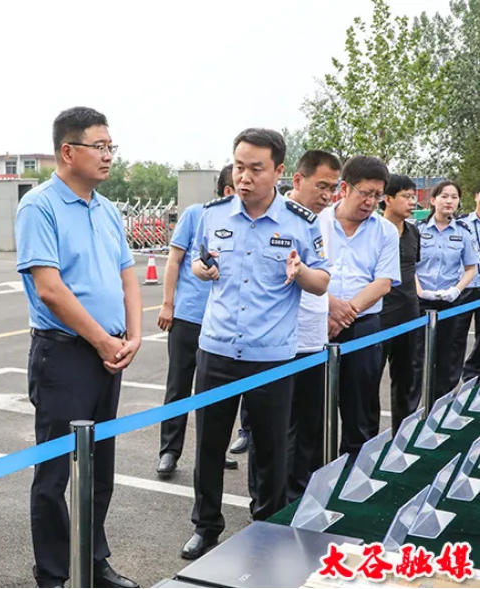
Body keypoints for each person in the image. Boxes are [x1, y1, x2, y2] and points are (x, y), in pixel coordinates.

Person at [181, 128, 330, 560]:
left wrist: (301, 272)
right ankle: (206, 526)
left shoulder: (301, 223)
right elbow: (198, 258)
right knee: (209, 445)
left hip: (272, 357)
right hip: (217, 349)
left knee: (270, 451)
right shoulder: (213, 216)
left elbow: (321, 282)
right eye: (239, 166)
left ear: (279, 171)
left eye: (256, 169)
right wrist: (201, 269)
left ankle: (266, 526)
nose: (244, 177)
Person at [15, 106, 141, 589]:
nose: (108, 155)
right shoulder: (39, 207)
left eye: (112, 146)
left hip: (108, 355)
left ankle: (93, 560)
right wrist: (103, 339)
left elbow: (127, 276)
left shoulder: (108, 210)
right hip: (64, 355)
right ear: (68, 152)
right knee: (54, 475)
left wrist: (132, 336)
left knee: (100, 469)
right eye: (100, 146)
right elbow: (50, 289)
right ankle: (52, 573)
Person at [157, 164, 238, 477]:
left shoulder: (245, 224)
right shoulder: (195, 214)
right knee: (179, 385)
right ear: (228, 191)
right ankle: (169, 450)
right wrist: (168, 305)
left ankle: (214, 451)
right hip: (189, 316)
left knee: (218, 393)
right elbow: (174, 261)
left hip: (223, 323)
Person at [324, 156, 400, 457]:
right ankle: (308, 478)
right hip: (316, 321)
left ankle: (354, 469)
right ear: (345, 188)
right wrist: (328, 305)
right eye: (365, 193)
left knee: (360, 405)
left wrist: (343, 315)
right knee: (311, 404)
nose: (371, 201)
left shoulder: (385, 231)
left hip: (363, 327)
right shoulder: (316, 222)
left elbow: (383, 282)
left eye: (377, 195)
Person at [283, 150, 342, 504]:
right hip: (280, 340)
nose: (327, 194)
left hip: (314, 337)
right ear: (298, 179)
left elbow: (325, 278)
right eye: (321, 185)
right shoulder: (280, 217)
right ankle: (273, 500)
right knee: (277, 428)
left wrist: (331, 312)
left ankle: (302, 492)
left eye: (333, 187)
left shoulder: (325, 221)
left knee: (309, 423)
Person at [412, 181, 478, 402]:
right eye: (444, 196)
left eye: (454, 197)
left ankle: (440, 408)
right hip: (420, 301)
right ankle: (411, 415)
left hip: (450, 303)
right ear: (433, 200)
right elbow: (409, 265)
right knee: (414, 360)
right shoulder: (418, 230)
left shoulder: (464, 231)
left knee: (448, 358)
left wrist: (456, 290)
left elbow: (471, 268)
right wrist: (419, 290)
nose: (449, 201)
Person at [375, 175, 421, 434]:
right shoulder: (375, 230)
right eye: (406, 196)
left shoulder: (414, 231)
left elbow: (412, 269)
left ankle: (402, 437)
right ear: (388, 199)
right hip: (380, 317)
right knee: (370, 383)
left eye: (413, 196)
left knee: (407, 381)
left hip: (410, 315)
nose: (412, 202)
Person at [456, 182, 480, 382]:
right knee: (457, 335)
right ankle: (452, 377)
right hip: (466, 286)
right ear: (476, 196)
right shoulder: (462, 223)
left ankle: (472, 373)